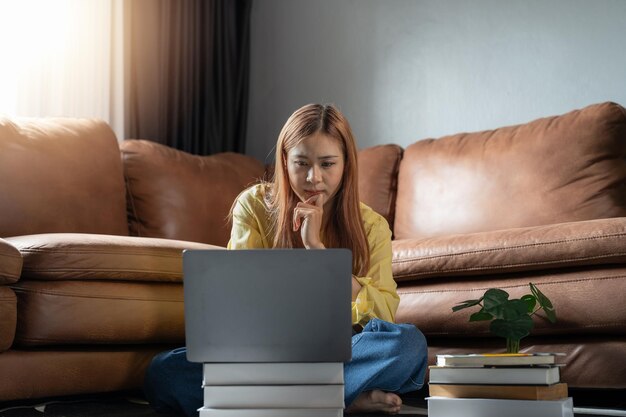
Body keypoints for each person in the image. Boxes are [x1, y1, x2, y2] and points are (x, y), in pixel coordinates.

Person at [143, 104, 428, 416]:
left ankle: (293, 395)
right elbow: (237, 300)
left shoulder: (371, 225)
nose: (313, 178)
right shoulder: (253, 206)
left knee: (408, 344)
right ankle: (341, 395)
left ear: (346, 165)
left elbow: (384, 315)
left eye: (327, 164)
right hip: (264, 354)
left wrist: (318, 251)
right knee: (165, 371)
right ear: (284, 161)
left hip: (341, 349)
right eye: (301, 163)